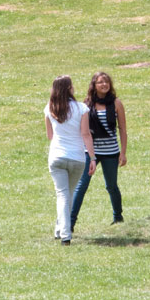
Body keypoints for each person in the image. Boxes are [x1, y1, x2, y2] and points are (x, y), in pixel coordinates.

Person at [70, 70, 127, 230]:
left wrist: (123, 152)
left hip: (111, 152)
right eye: (100, 82)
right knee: (82, 186)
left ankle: (118, 217)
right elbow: (82, 130)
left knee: (111, 186)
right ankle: (71, 222)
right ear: (94, 85)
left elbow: (122, 129)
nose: (104, 85)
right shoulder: (86, 104)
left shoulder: (116, 103)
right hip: (90, 152)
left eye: (106, 82)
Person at [44, 75, 96, 245]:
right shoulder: (81, 108)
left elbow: (50, 136)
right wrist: (93, 158)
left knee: (63, 194)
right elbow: (86, 134)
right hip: (77, 157)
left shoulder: (49, 108)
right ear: (69, 89)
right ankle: (65, 234)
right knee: (68, 194)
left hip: (57, 156)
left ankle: (61, 230)